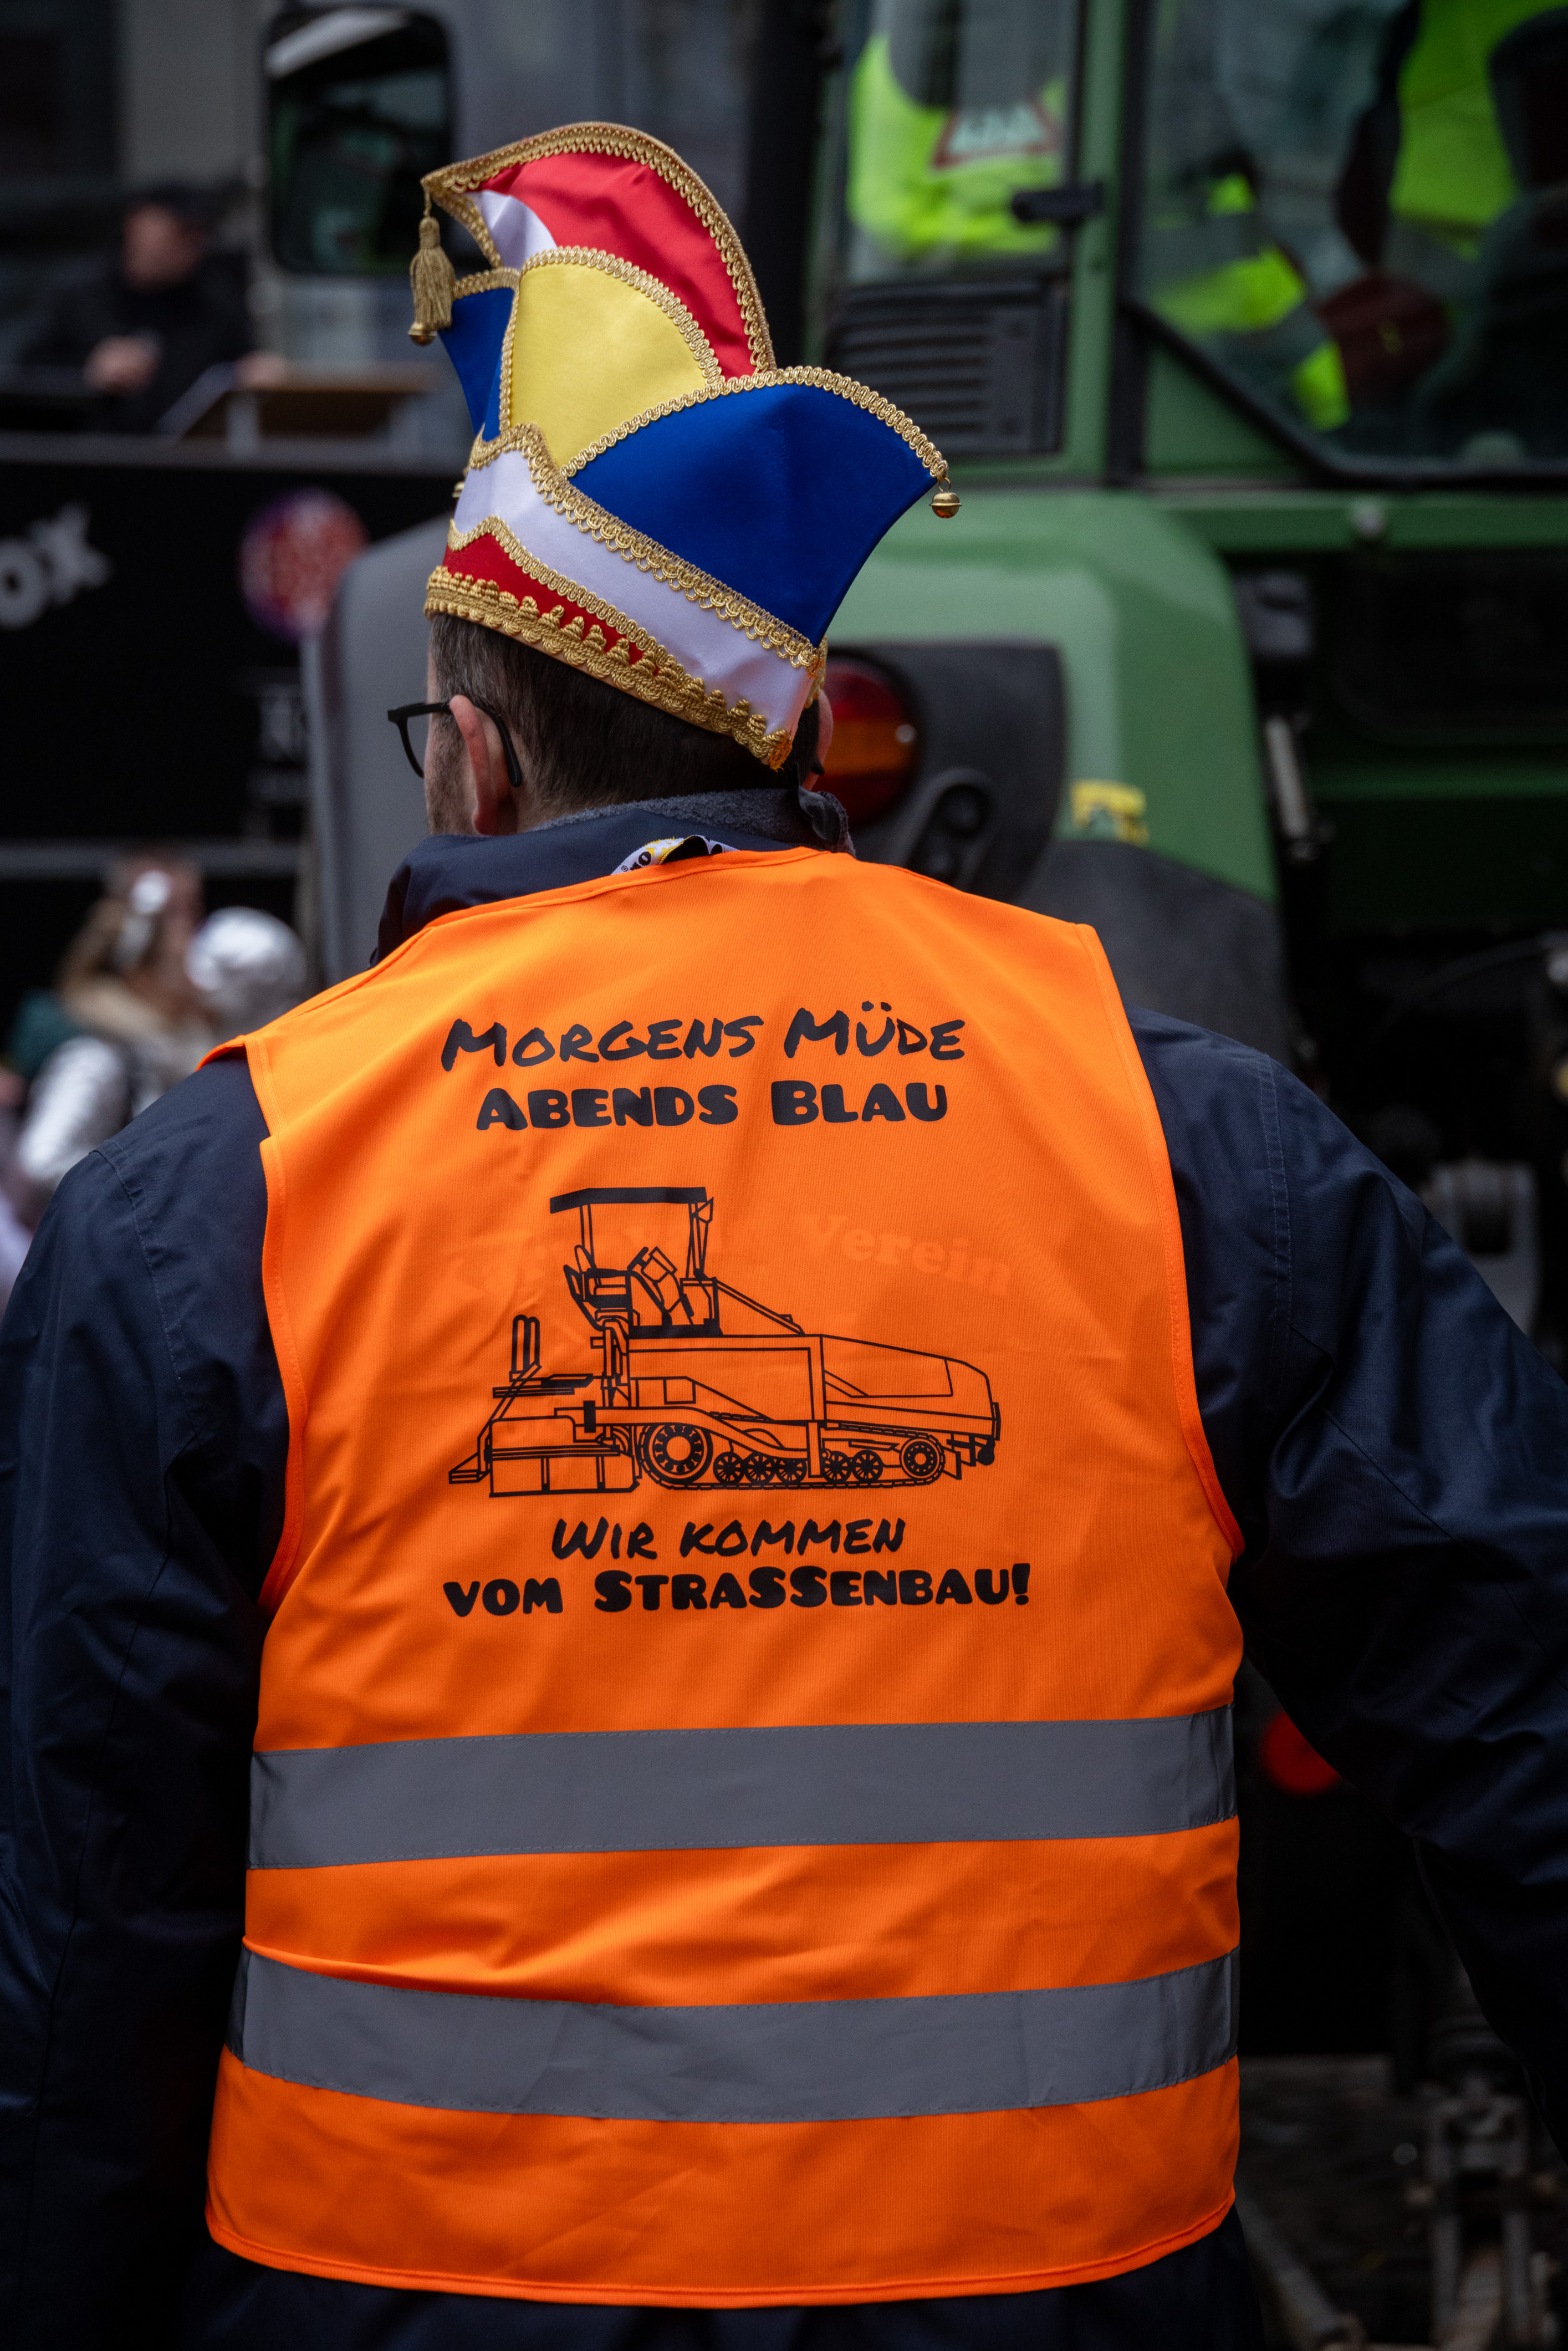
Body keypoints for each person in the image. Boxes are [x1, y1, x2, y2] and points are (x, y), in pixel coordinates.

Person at [3, 117, 1568, 2351]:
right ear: (800, 742)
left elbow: (76, 1945)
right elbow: (1522, 1741)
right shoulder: (1184, 1140)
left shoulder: (218, 1196)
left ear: (465, 756)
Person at [21, 182, 278, 435]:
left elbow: (244, 362)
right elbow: (27, 378)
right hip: (94, 447)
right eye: (177, 230)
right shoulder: (77, 294)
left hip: (188, 451)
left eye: (198, 235)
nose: (187, 245)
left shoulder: (217, 299)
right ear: (136, 223)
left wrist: (259, 371)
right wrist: (87, 373)